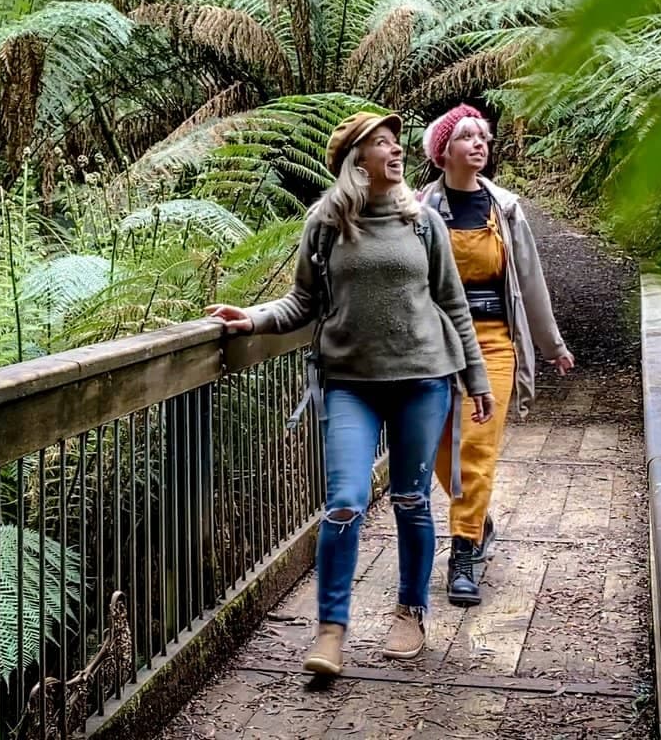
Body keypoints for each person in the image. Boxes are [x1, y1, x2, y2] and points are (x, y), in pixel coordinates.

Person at [205, 111, 493, 677]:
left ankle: (410, 611)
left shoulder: (423, 222)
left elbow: (453, 304)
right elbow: (301, 304)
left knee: (411, 498)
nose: (395, 150)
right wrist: (253, 318)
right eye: (381, 143)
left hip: (423, 379)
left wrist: (475, 378)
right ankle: (331, 630)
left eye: (396, 142)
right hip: (348, 384)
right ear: (354, 160)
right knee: (343, 502)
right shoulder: (326, 223)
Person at [416, 105, 574, 608]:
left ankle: (463, 555)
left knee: (477, 447)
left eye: (483, 136)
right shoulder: (420, 211)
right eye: (466, 136)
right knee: (440, 451)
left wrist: (552, 345)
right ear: (443, 152)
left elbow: (530, 280)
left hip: (493, 343)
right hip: (436, 347)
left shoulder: (504, 209)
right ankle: (477, 517)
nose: (479, 144)